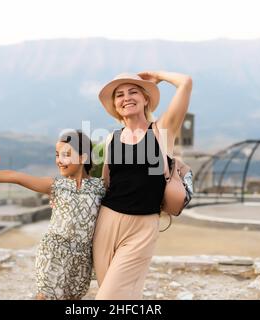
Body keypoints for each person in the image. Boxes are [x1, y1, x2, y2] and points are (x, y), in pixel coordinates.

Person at [0, 130, 105, 300]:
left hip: (82, 258)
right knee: (45, 297)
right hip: (53, 254)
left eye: (66, 155)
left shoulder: (99, 187)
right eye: (57, 155)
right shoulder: (55, 185)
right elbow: (15, 176)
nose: (59, 161)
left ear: (83, 158)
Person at [93, 71, 193, 299]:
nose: (126, 97)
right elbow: (105, 185)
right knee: (121, 295)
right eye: (120, 95)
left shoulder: (161, 131)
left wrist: (156, 76)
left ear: (146, 99)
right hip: (106, 223)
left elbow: (185, 83)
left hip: (142, 227)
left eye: (133, 92)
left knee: (109, 297)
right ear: (115, 105)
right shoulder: (112, 138)